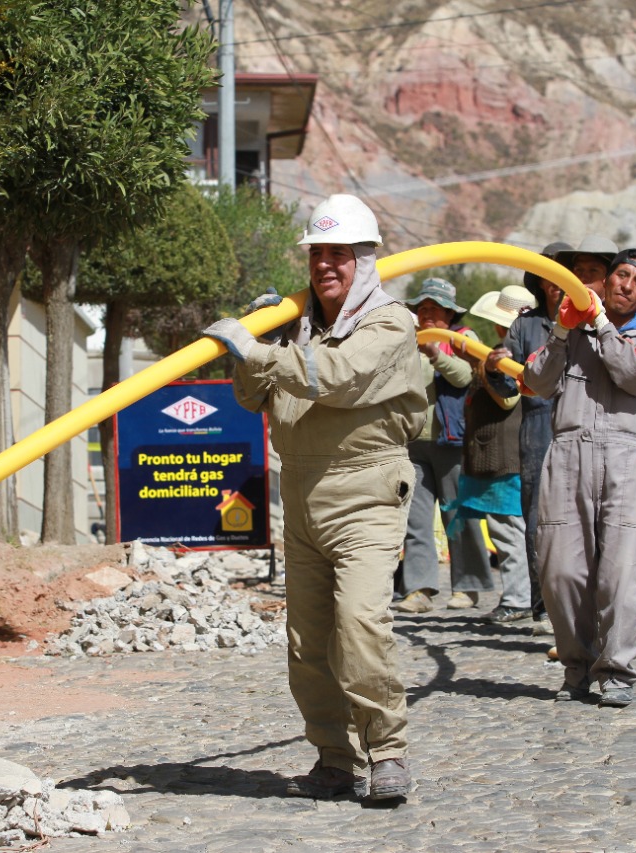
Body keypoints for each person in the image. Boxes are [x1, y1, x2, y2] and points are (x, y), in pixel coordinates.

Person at [202, 193, 426, 801]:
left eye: (339, 254)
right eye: (317, 254)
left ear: (365, 258)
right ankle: (333, 757)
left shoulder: (389, 323)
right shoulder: (298, 327)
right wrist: (255, 346)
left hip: (367, 492)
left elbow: (339, 377)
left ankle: (387, 752)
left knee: (359, 623)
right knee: (306, 641)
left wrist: (260, 350)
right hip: (300, 493)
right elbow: (252, 397)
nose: (325, 265)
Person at [522, 248, 636, 708]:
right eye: (619, 276)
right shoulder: (569, 334)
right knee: (561, 570)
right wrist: (565, 329)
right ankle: (576, 667)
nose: (626, 284)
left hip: (625, 459)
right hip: (567, 455)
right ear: (606, 283)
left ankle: (616, 671)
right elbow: (537, 381)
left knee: (621, 574)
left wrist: (601, 324)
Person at [395, 278, 490, 613]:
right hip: (413, 443)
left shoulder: (464, 339)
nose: (427, 313)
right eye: (422, 308)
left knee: (457, 514)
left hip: (452, 442)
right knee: (415, 520)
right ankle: (419, 589)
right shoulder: (408, 341)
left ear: (450, 312)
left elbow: (465, 377)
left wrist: (436, 356)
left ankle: (469, 587)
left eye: (434, 308)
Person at [450, 285, 537, 623]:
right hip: (496, 454)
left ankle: (518, 598)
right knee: (507, 528)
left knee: (508, 529)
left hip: (505, 457)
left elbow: (508, 398)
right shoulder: (507, 352)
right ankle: (520, 596)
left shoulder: (509, 358)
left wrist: (485, 368)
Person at [504, 241, 572, 634]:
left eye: (565, 271)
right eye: (550, 273)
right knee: (536, 522)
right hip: (536, 431)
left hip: (578, 425)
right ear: (541, 280)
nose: (557, 282)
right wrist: (496, 367)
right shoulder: (524, 325)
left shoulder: (587, 319)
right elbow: (506, 370)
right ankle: (543, 606)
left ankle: (579, 606)